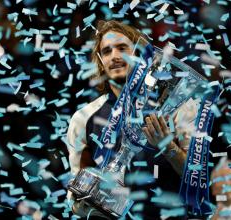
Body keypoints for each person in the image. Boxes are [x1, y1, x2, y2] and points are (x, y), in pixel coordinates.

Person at [66, 20, 200, 219]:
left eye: (122, 48)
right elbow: (74, 195)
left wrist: (169, 147)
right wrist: (92, 207)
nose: (115, 56)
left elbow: (197, 180)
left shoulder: (179, 108)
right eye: (107, 51)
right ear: (100, 62)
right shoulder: (83, 118)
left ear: (140, 55)